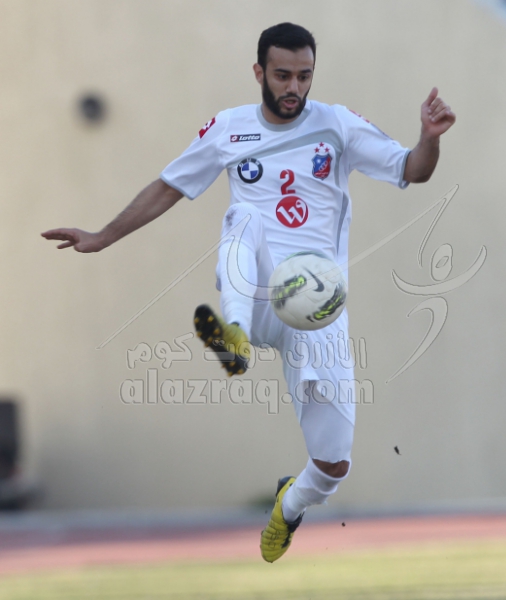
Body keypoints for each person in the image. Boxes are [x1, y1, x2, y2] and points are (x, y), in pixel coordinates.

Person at [42, 22, 456, 562]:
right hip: (258, 292)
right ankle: (232, 335)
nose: (294, 87)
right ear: (259, 71)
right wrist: (103, 236)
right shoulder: (229, 129)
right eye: (282, 75)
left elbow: (412, 170)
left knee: (333, 464)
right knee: (244, 217)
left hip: (317, 310)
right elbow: (169, 186)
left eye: (304, 76)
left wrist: (429, 138)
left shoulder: (338, 125)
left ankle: (289, 505)